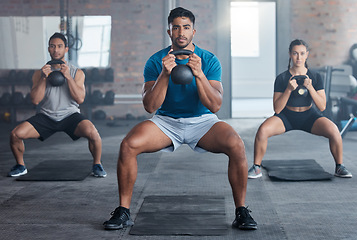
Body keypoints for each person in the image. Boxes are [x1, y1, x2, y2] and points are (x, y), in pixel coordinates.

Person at [103, 7, 257, 231]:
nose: (181, 32)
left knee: (236, 144)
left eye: (186, 27)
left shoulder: (209, 60)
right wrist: (165, 74)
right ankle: (123, 211)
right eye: (176, 28)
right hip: (166, 122)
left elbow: (215, 105)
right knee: (128, 145)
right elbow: (150, 106)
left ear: (194, 31)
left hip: (203, 121)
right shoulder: (157, 61)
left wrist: (200, 74)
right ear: (169, 32)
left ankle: (241, 210)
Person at [248, 39, 352, 179]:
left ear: (307, 55)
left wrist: (310, 87)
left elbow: (322, 106)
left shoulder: (315, 77)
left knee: (334, 131)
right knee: (262, 130)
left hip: (309, 116)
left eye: (302, 53)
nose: (299, 57)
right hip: (286, 116)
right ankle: (256, 168)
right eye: (295, 53)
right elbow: (277, 109)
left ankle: (339, 167)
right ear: (290, 54)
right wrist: (288, 90)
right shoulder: (282, 78)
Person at [8, 32, 107, 178]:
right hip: (46, 116)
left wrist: (67, 77)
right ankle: (20, 165)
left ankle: (97, 164)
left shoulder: (77, 72)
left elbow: (80, 99)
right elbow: (35, 100)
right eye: (52, 46)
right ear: (48, 49)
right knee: (15, 134)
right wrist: (43, 78)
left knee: (93, 133)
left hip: (70, 115)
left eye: (60, 46)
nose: (56, 50)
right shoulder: (39, 73)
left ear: (66, 49)